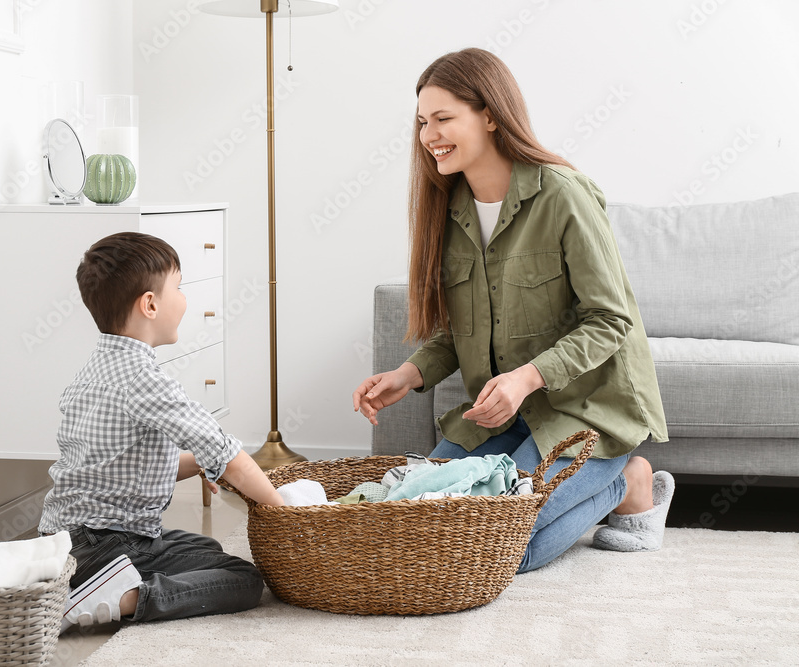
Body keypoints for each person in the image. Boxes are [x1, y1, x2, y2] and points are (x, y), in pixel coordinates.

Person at [353, 48, 675, 573]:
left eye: (442, 118)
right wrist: (408, 374)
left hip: (582, 414)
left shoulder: (563, 195)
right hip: (501, 420)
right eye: (420, 122)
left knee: (500, 552)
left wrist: (526, 378)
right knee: (414, 518)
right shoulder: (449, 207)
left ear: (491, 115)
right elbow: (464, 329)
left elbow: (611, 320)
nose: (427, 134)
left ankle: (627, 482)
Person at [39, 231, 283, 631]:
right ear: (150, 304)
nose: (185, 299)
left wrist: (200, 466)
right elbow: (228, 457)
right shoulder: (145, 380)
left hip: (66, 539)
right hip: (107, 542)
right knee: (244, 579)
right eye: (179, 288)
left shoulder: (95, 369)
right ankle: (124, 597)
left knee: (206, 548)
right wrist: (287, 512)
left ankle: (95, 581)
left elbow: (124, 468)